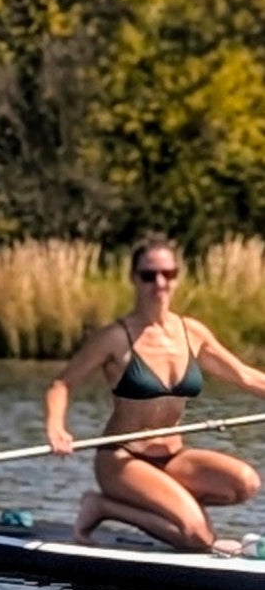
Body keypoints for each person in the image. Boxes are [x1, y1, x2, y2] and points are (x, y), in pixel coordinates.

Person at [45, 236, 264, 551]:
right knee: (200, 539)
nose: (159, 283)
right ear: (134, 279)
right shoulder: (115, 338)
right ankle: (104, 506)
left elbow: (245, 375)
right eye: (149, 275)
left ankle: (169, 506)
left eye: (168, 274)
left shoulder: (192, 332)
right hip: (122, 459)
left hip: (173, 458)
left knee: (245, 483)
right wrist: (56, 427)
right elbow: (61, 384)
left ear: (176, 277)